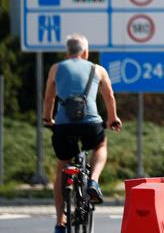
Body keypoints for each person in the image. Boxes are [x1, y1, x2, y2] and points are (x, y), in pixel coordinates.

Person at [42, 34, 122, 233]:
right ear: (85, 52)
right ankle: (93, 180)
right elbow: (109, 96)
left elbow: (48, 98)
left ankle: (60, 222)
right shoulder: (98, 69)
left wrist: (48, 119)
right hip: (91, 124)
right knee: (100, 146)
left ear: (67, 52)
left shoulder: (56, 68)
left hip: (63, 126)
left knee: (62, 166)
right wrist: (113, 118)